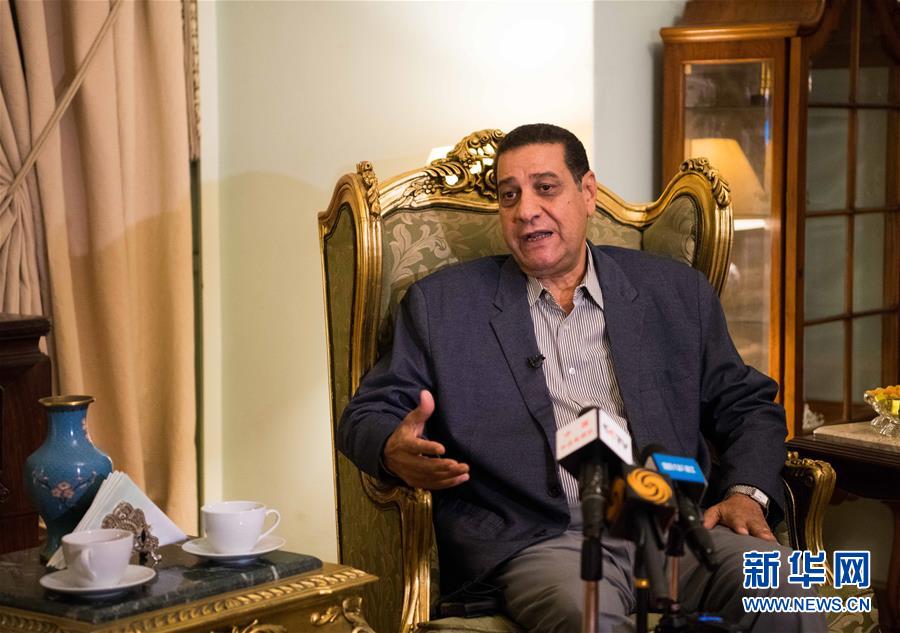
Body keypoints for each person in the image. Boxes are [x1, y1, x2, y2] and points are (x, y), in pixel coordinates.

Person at [338, 123, 825, 632]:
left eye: (546, 188)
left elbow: (748, 405)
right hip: (542, 542)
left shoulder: (675, 291)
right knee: (587, 615)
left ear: (587, 193)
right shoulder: (443, 306)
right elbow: (366, 414)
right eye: (509, 195)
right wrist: (391, 448)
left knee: (788, 589)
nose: (526, 210)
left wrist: (746, 492)